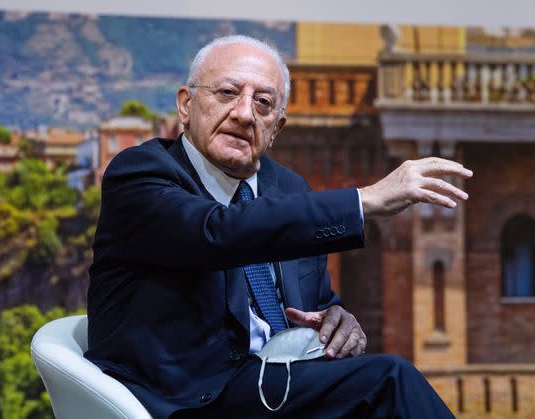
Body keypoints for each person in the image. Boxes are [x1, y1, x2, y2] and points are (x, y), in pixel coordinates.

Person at [85, 35, 472, 418]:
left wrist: (341, 323)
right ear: (186, 105)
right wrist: (364, 200)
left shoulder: (287, 188)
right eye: (227, 93)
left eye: (263, 103)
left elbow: (319, 302)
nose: (244, 113)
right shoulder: (141, 174)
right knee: (390, 380)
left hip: (278, 387)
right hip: (185, 399)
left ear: (277, 127)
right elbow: (217, 233)